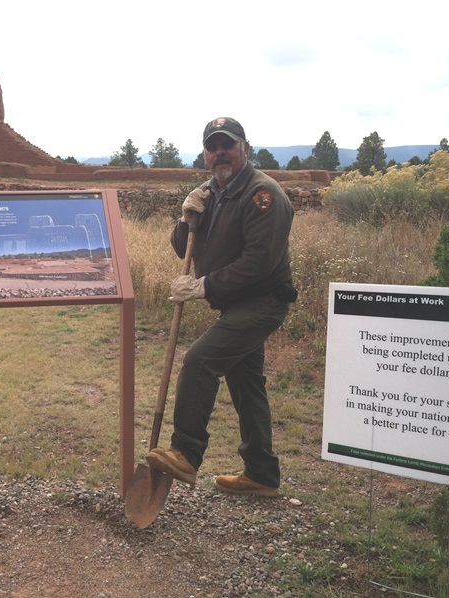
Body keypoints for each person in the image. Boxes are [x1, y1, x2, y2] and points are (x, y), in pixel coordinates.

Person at [146, 116, 296, 498]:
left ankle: (186, 452)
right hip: (235, 306)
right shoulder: (211, 192)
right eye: (212, 147)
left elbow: (259, 261)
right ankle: (261, 474)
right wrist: (186, 219)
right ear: (205, 154)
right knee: (247, 387)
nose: (220, 153)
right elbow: (185, 247)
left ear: (245, 147)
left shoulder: (263, 195)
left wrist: (204, 286)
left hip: (262, 302)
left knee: (201, 360)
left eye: (227, 145)